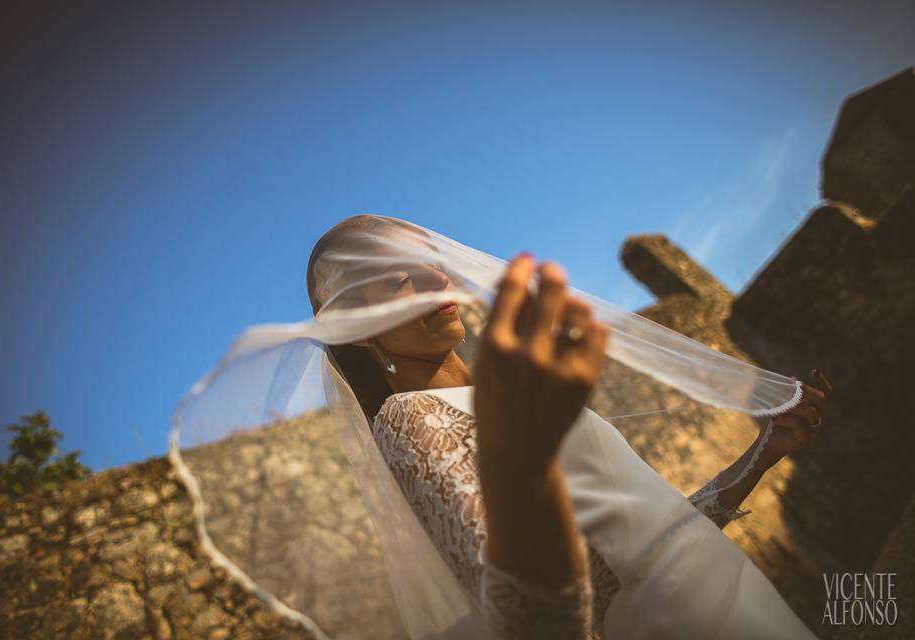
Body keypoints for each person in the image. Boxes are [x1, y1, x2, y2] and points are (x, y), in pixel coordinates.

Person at [172, 213, 830, 639]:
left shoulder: (507, 394)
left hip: (734, 596)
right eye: (394, 281)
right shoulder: (413, 422)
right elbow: (533, 620)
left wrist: (761, 456)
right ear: (355, 327)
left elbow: (643, 539)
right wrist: (527, 455)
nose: (434, 281)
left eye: (428, 262)